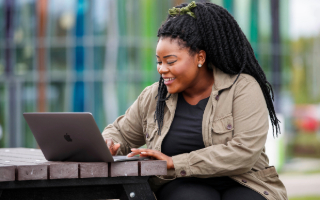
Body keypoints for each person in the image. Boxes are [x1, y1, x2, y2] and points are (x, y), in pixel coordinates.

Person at [102, 1, 288, 200]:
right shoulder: (154, 95)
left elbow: (244, 152)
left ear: (200, 57)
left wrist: (174, 163)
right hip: (181, 184)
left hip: (245, 181)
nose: (162, 69)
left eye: (170, 61)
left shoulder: (242, 88)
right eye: (159, 61)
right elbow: (121, 132)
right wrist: (109, 142)